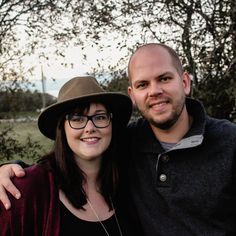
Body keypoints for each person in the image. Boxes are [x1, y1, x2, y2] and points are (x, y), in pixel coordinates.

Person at [1, 43, 236, 235]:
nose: (154, 91)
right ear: (133, 95)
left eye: (164, 78)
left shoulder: (229, 142)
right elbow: (70, 159)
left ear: (184, 82)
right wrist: (12, 170)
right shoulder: (128, 141)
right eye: (143, 84)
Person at [0, 76, 143, 236]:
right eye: (77, 118)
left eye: (100, 117)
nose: (90, 127)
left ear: (111, 125)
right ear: (62, 128)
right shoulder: (27, 191)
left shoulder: (128, 181)